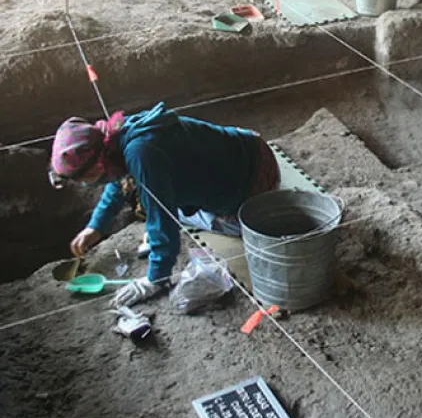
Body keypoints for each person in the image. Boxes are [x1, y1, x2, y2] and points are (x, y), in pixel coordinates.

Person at [48, 102, 279, 306]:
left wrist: (155, 279)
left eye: (86, 179)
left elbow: (162, 217)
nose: (89, 185)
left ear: (99, 164)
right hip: (248, 145)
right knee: (151, 201)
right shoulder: (118, 135)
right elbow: (119, 180)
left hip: (256, 180)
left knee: (156, 212)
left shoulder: (143, 154)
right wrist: (96, 225)